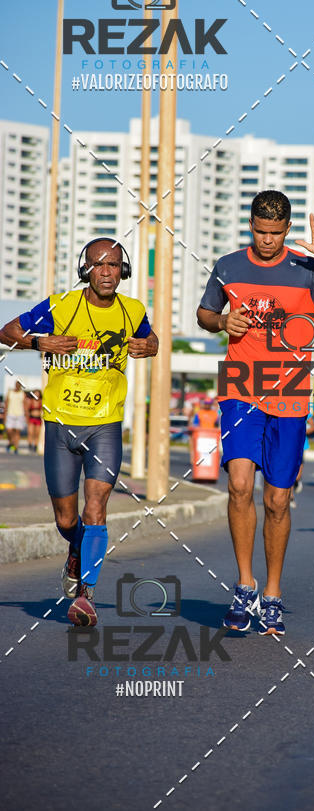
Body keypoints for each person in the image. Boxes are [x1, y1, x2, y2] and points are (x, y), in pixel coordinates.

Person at [196, 190, 314, 636]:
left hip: (290, 394)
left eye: (275, 233)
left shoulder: (309, 270)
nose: (267, 240)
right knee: (239, 485)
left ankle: (272, 592)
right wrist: (222, 322)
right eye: (260, 231)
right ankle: (245, 585)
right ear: (250, 225)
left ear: (287, 229)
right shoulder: (228, 265)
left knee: (276, 499)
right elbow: (205, 314)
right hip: (240, 388)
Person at [0, 238, 158, 626]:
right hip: (60, 424)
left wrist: (149, 346)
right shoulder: (61, 306)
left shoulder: (132, 310)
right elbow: (6, 332)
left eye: (114, 265)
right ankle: (76, 549)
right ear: (84, 270)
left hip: (105, 424)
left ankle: (85, 595)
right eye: (98, 264)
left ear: (124, 270)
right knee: (67, 520)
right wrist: (40, 342)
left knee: (96, 507)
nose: (106, 272)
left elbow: (150, 338)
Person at [291, 412, 314, 508]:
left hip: (301, 445)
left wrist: (302, 431)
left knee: (297, 475)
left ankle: (297, 482)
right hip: (289, 445)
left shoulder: (304, 410)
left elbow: (312, 427)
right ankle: (291, 496)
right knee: (290, 471)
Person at [3, 381, 26, 453]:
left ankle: (16, 447)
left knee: (17, 431)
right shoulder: (10, 393)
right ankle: (11, 443)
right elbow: (6, 404)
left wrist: (26, 415)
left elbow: (25, 405)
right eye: (17, 384)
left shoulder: (22, 394)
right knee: (9, 430)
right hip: (10, 414)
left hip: (20, 414)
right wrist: (5, 415)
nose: (18, 386)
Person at [26, 388, 43, 452]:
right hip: (32, 418)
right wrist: (27, 419)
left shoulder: (41, 401)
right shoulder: (31, 401)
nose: (37, 395)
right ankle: (30, 444)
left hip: (38, 418)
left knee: (37, 433)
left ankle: (35, 445)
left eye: (38, 393)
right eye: (35, 393)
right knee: (30, 432)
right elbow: (27, 410)